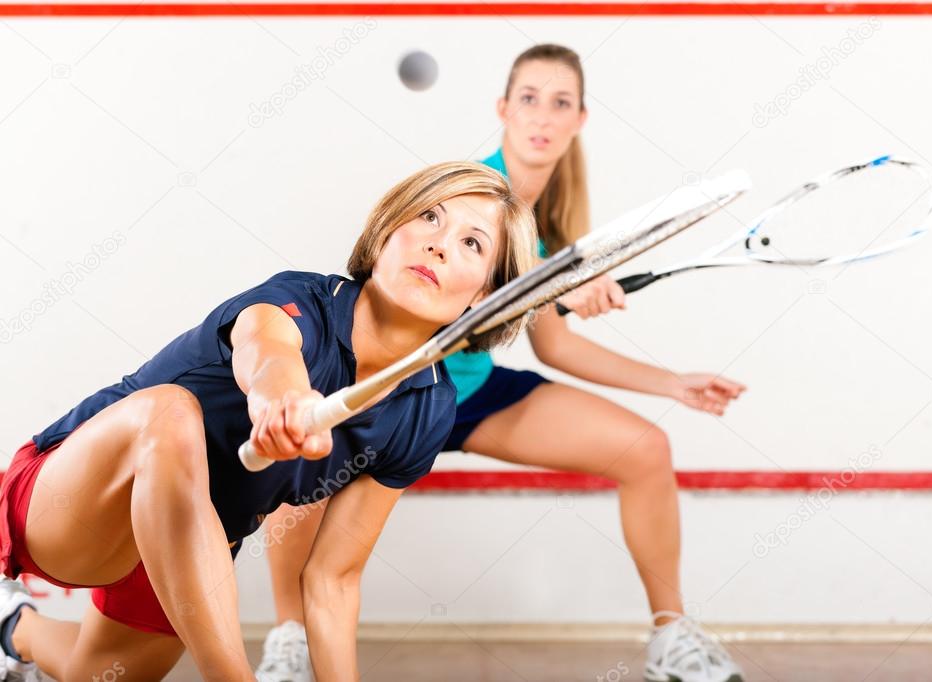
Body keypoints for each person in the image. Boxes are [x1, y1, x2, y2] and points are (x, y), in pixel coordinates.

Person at [256, 45, 747, 682]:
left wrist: (672, 383)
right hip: (391, 389)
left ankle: (672, 639)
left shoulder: (550, 222)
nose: (542, 115)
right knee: (302, 464)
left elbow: (556, 346)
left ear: (579, 120)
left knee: (645, 449)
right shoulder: (474, 189)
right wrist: (555, 281)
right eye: (529, 99)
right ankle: (290, 641)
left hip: (467, 392)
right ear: (503, 109)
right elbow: (454, 276)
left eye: (560, 103)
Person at [0, 161, 536, 681]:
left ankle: (12, 627)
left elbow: (333, 580)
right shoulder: (297, 300)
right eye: (430, 216)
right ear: (386, 232)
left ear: (485, 296)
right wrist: (282, 401)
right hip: (70, 504)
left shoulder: (428, 408)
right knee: (169, 413)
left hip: (189, 551)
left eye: (472, 243)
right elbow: (267, 353)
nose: (439, 244)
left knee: (92, 674)